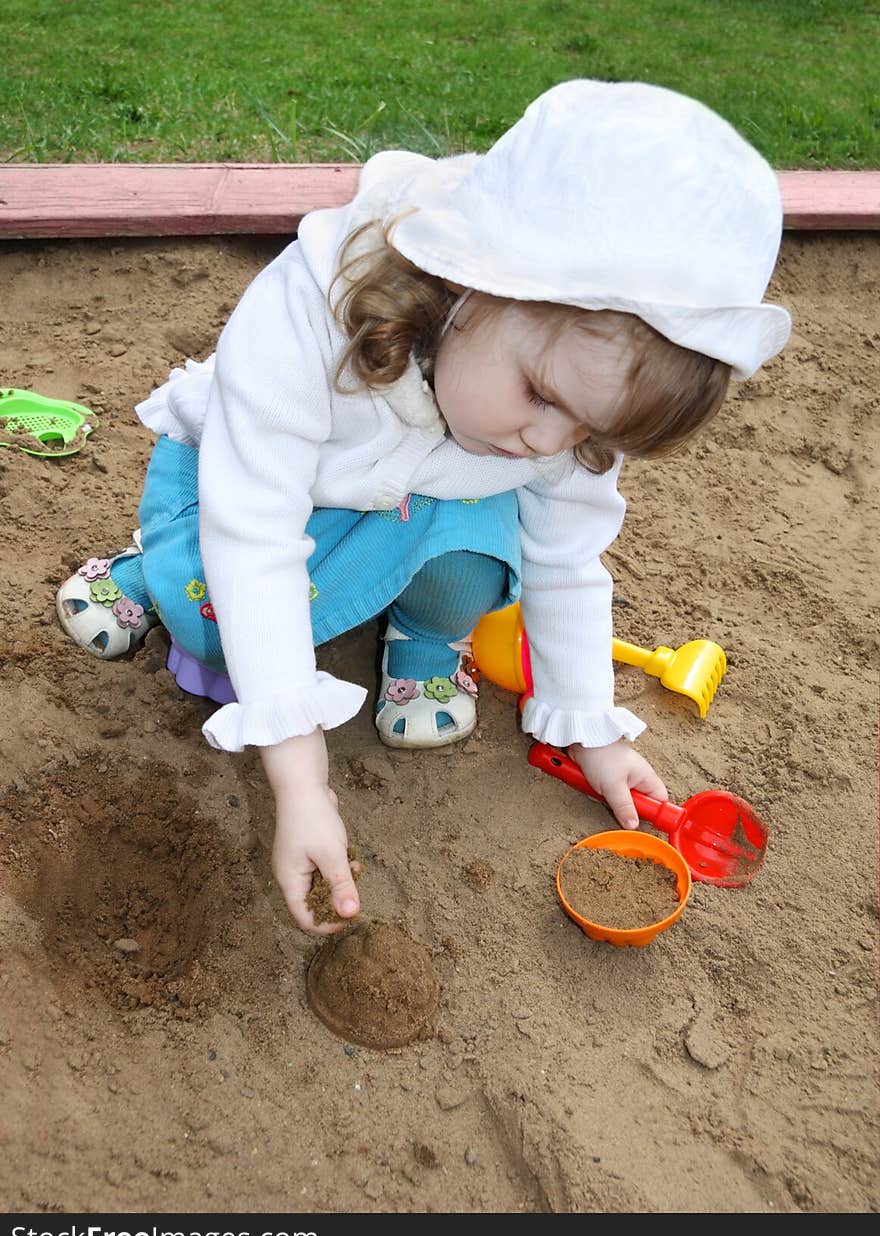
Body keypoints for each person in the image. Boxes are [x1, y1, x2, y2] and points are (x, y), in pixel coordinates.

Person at [55, 79, 791, 936]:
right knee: (215, 618)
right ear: (468, 285)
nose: (551, 443)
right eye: (539, 396)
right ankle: (145, 568)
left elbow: (566, 558)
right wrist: (301, 781)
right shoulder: (310, 313)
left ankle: (423, 639)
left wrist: (592, 733)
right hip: (247, 482)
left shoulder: (553, 416)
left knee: (482, 561)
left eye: (591, 428)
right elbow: (252, 527)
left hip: (412, 495)